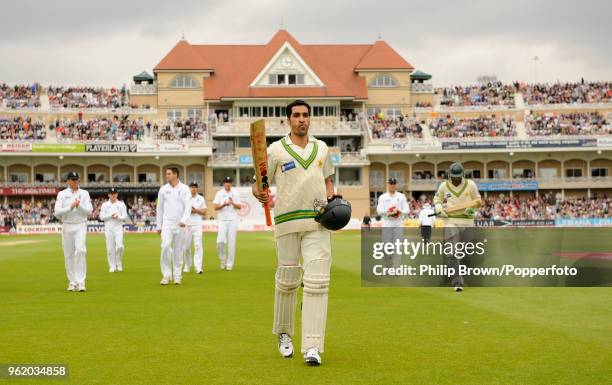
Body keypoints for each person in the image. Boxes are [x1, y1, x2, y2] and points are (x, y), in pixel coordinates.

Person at [252, 100, 336, 366]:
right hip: (287, 221)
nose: (302, 119)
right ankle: (284, 334)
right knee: (288, 280)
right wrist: (260, 193)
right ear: (288, 119)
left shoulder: (322, 148)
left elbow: (328, 183)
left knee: (318, 281)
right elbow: (258, 185)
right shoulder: (276, 150)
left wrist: (334, 204)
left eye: (306, 115)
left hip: (318, 222)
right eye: (297, 115)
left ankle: (312, 346)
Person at [433, 162, 482, 292]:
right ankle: (457, 282)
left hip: (467, 222)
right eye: (453, 177)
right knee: (452, 252)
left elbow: (477, 201)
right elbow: (437, 199)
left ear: (462, 175)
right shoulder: (444, 186)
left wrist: (470, 212)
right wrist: (438, 207)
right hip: (450, 221)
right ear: (449, 175)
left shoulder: (470, 185)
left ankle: (463, 276)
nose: (455, 179)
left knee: (468, 253)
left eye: (458, 177)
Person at [53, 171, 92, 292]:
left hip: (80, 224)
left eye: (77, 179)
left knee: (81, 250)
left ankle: (81, 282)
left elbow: (89, 211)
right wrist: (70, 206)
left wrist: (78, 206)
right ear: (68, 181)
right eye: (73, 180)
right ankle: (72, 282)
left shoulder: (84, 193)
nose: (75, 182)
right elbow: (57, 212)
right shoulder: (62, 194)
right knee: (68, 254)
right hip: (67, 225)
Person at [156, 167, 191, 285]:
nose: (167, 175)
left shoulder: (185, 189)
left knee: (178, 250)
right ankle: (166, 275)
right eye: (166, 174)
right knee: (165, 246)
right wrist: (158, 225)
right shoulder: (163, 189)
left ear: (176, 174)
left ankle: (177, 275)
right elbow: (159, 208)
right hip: (167, 223)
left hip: (180, 224)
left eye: (169, 174)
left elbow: (188, 206)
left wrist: (184, 220)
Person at [376, 177, 409, 268]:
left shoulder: (401, 196)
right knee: (386, 245)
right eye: (391, 183)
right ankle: (388, 265)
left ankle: (396, 267)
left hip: (398, 222)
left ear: (396, 185)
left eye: (394, 184)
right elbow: (379, 210)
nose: (392, 185)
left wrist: (399, 211)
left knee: (398, 246)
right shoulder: (382, 197)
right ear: (388, 184)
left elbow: (407, 210)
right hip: (387, 223)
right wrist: (389, 211)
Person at [213, 176, 241, 270]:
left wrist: (233, 203)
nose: (228, 184)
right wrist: (224, 204)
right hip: (222, 220)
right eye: (226, 182)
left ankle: (230, 264)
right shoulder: (219, 193)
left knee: (231, 243)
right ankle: (223, 260)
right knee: (220, 241)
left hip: (233, 220)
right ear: (224, 183)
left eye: (229, 182)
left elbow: (239, 206)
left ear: (231, 183)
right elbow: (215, 207)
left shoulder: (235, 192)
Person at [99, 187, 128, 272]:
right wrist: (110, 215)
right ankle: (112, 266)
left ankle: (118, 263)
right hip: (108, 228)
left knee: (120, 246)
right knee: (110, 248)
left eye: (114, 194)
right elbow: (101, 217)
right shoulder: (105, 205)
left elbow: (124, 216)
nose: (113, 195)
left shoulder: (121, 204)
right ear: (108, 195)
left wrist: (118, 217)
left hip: (118, 227)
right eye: (111, 194)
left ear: (117, 194)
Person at [183, 182, 207, 274]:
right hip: (187, 225)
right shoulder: (186, 198)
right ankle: (187, 265)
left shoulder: (201, 199)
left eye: (195, 187)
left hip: (197, 225)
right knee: (186, 247)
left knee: (198, 246)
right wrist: (190, 210)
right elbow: (182, 211)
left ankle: (198, 267)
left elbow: (204, 212)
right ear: (189, 188)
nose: (193, 189)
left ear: (197, 189)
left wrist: (196, 210)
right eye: (192, 187)